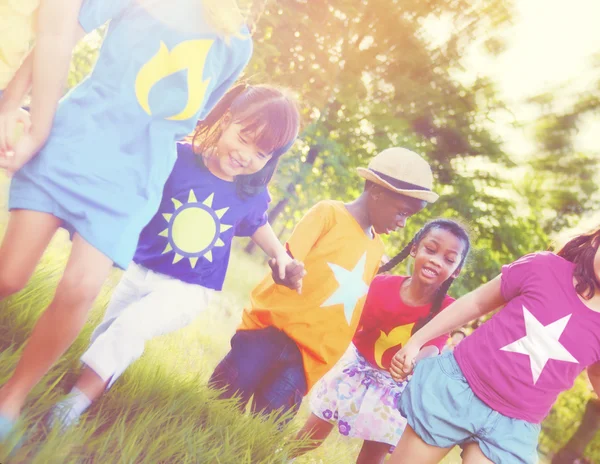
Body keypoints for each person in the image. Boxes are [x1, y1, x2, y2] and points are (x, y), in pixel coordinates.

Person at [0, 0, 255, 438]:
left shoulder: (237, 43)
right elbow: (58, 34)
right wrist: (9, 106)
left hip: (131, 182)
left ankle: (10, 402)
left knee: (80, 288)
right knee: (8, 278)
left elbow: (189, 119)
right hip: (71, 144)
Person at [49, 83, 301, 431]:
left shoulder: (250, 193)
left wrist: (280, 257)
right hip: (141, 269)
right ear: (227, 120)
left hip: (189, 289)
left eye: (261, 153)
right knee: (108, 333)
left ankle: (71, 406)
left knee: (130, 327)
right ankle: (86, 390)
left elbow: (259, 226)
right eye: (244, 138)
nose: (247, 156)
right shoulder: (179, 158)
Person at [209, 147, 439, 425]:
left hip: (306, 357)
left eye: (408, 217)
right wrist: (286, 270)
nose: (402, 224)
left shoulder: (377, 248)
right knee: (219, 404)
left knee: (265, 428)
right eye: (402, 212)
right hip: (267, 333)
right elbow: (288, 259)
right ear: (377, 192)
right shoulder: (328, 213)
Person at [389, 227, 600, 464]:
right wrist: (417, 341)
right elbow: (477, 303)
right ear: (596, 240)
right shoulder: (544, 267)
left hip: (513, 428)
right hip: (459, 388)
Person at [294, 219, 470, 464]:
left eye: (449, 260)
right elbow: (350, 321)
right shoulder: (380, 285)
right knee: (308, 437)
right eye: (431, 250)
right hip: (353, 370)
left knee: (371, 458)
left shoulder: (448, 308)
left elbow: (432, 348)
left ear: (457, 270)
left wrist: (412, 363)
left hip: (394, 389)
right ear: (415, 248)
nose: (436, 260)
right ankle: (276, 458)